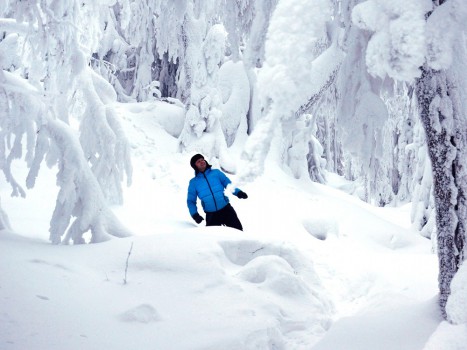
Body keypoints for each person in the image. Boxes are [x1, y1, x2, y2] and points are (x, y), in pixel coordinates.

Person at [187, 154, 247, 230]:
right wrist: (195, 214)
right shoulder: (193, 183)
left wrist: (238, 192)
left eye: (202, 159)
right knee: (214, 238)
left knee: (238, 232)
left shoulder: (216, 173)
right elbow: (191, 201)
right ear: (194, 166)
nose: (202, 162)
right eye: (198, 161)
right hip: (211, 215)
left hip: (226, 210)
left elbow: (228, 184)